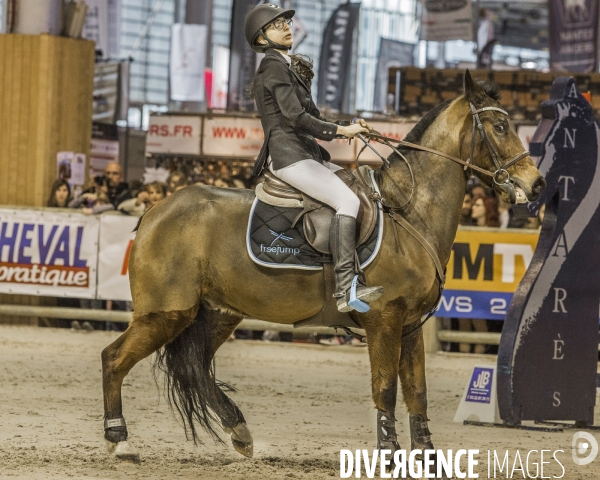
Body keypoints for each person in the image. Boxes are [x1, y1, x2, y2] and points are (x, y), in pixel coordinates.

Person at [244, 4, 383, 313]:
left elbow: (315, 117)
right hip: (289, 157)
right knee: (348, 203)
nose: (285, 26)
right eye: (276, 25)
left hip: (307, 155)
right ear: (261, 39)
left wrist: (350, 126)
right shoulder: (272, 67)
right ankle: (346, 288)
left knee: (359, 183)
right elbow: (294, 118)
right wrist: (341, 132)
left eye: (285, 22)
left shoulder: (288, 65)